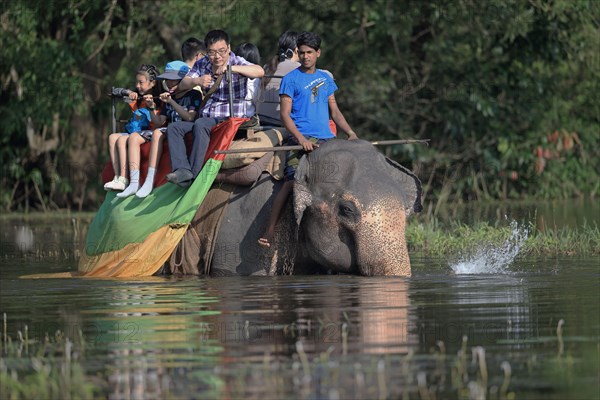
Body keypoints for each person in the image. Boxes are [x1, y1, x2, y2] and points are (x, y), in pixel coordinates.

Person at [258, 31, 359, 248]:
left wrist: (350, 133)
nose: (305, 57)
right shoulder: (290, 79)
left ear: (318, 53)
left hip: (327, 140)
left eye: (309, 53)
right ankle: (270, 230)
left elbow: (335, 111)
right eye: (301, 53)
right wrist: (301, 139)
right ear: (297, 53)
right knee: (290, 183)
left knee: (345, 183)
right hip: (299, 140)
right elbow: (285, 115)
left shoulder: (325, 79)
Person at [165, 29, 264, 187]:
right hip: (208, 115)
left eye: (221, 51)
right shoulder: (202, 63)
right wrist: (197, 81)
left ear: (229, 48)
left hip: (230, 116)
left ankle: (194, 175)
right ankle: (182, 169)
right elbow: (182, 85)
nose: (217, 56)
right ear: (206, 52)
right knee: (174, 128)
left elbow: (259, 71)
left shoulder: (236, 61)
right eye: (212, 52)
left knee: (201, 124)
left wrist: (232, 70)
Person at [117, 61, 203, 198]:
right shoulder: (169, 96)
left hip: (187, 128)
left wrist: (171, 102)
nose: (168, 83)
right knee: (140, 135)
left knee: (158, 132)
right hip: (171, 129)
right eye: (167, 80)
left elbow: (190, 117)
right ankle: (136, 182)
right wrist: (151, 107)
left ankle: (150, 180)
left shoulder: (193, 95)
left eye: (172, 80)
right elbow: (159, 123)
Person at [105, 64, 161, 191]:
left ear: (152, 83)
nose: (137, 86)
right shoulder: (137, 97)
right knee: (112, 137)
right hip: (134, 131)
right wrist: (128, 92)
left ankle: (125, 178)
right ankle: (118, 176)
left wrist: (151, 105)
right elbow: (114, 91)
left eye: (141, 83)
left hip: (149, 133)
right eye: (136, 82)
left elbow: (159, 121)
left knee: (121, 140)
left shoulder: (158, 99)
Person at [258, 31, 300, 127]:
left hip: (261, 117)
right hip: (278, 120)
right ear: (297, 50)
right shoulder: (296, 68)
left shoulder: (268, 65)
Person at [233, 42, 261, 118]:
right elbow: (257, 102)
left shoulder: (231, 77)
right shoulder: (255, 80)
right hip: (248, 118)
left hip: (231, 117)